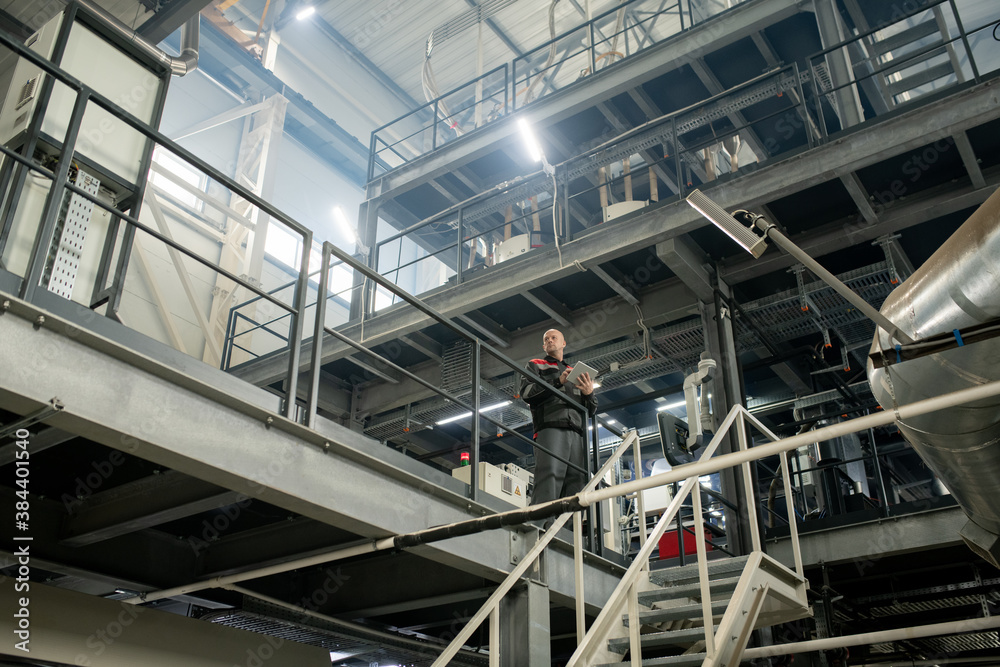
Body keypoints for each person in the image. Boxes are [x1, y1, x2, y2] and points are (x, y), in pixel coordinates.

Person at [520, 329, 598, 506]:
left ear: (563, 343)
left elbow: (591, 410)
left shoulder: (576, 372)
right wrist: (557, 382)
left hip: (577, 434)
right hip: (550, 428)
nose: (549, 340)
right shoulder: (535, 364)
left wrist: (589, 394)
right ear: (543, 346)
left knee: (576, 485)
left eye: (553, 338)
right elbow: (527, 394)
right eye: (546, 339)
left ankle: (569, 532)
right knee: (549, 479)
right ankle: (540, 526)